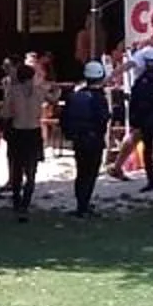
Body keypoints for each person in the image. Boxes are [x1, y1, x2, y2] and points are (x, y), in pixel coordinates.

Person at [1, 56, 49, 219]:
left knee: (17, 168)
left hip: (18, 131)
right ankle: (26, 202)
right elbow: (54, 98)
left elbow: (4, 113)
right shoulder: (39, 91)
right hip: (34, 131)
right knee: (31, 169)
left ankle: (17, 201)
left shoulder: (13, 92)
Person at [63, 58, 110, 214]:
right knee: (91, 173)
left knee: (81, 171)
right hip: (94, 139)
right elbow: (102, 118)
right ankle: (84, 203)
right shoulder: (99, 98)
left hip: (78, 139)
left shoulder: (75, 95)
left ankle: (81, 204)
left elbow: (65, 117)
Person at [125, 46, 153, 189]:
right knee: (149, 152)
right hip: (148, 122)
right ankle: (152, 181)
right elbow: (134, 102)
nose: (152, 64)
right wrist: (134, 122)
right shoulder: (144, 80)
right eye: (150, 62)